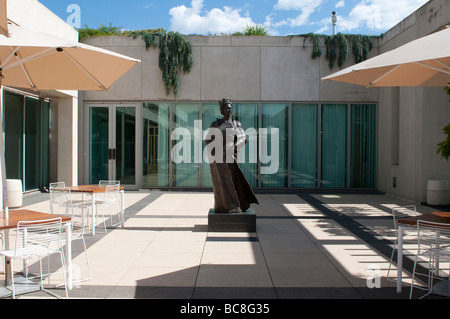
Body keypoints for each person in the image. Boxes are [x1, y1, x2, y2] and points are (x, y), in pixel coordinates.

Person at [205, 98, 259, 213]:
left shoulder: (236, 124)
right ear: (222, 110)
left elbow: (243, 138)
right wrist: (216, 152)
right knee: (221, 182)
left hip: (231, 156)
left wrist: (234, 148)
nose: (229, 109)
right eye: (227, 108)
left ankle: (237, 205)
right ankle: (223, 206)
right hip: (219, 158)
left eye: (230, 108)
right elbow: (209, 140)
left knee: (233, 180)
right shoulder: (215, 124)